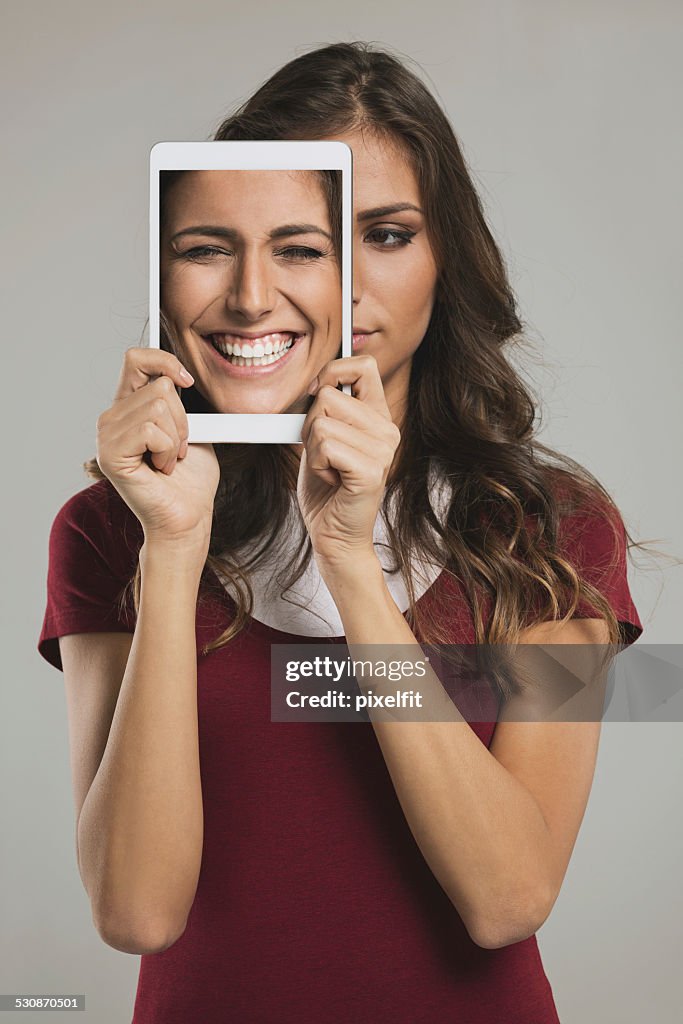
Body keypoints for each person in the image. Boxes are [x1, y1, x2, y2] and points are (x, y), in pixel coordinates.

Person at [38, 41, 644, 1024]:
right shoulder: (115, 527)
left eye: (388, 233)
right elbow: (136, 910)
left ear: (447, 257)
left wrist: (350, 564)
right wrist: (172, 553)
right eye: (302, 234)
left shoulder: (550, 531)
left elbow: (507, 896)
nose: (342, 281)